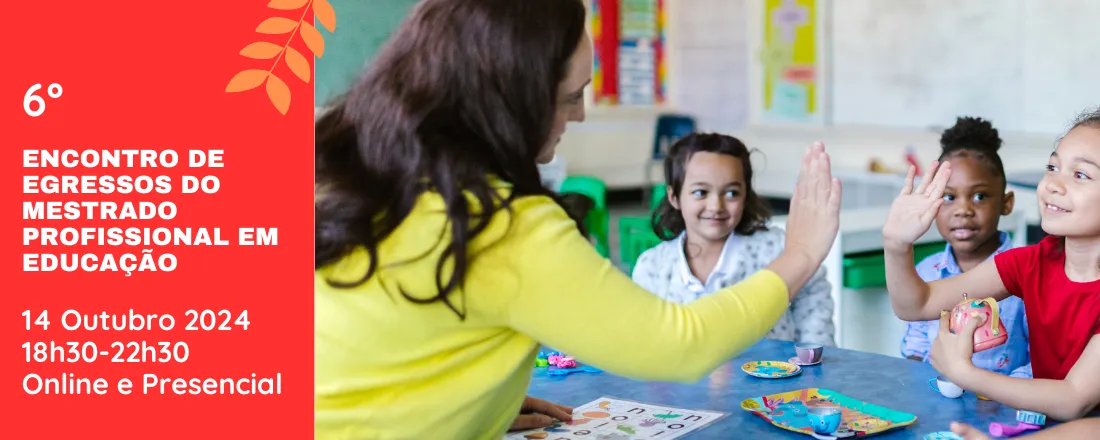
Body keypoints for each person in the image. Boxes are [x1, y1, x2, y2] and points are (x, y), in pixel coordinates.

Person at [313, 0, 843, 438]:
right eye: (571, 97)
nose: (581, 114)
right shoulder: (500, 224)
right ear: (509, 102)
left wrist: (470, 404)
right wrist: (799, 253)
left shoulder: (349, 172)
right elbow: (681, 345)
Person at [882, 108, 1100, 421]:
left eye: (1080, 174)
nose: (1053, 183)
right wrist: (896, 245)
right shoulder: (1032, 263)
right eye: (1053, 167)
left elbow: (1073, 399)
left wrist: (964, 373)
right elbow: (917, 304)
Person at [632, 133, 835, 346]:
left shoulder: (778, 249)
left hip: (774, 378)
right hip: (681, 379)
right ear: (674, 197)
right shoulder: (653, 267)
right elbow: (644, 342)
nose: (716, 206)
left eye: (731, 193)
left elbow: (814, 305)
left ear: (746, 195)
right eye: (700, 192)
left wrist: (813, 366)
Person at [899, 117, 1031, 379]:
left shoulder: (1028, 276)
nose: (963, 210)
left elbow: (1040, 361)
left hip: (1004, 408)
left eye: (980, 196)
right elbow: (916, 344)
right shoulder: (927, 271)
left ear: (1006, 203)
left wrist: (1000, 396)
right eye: (948, 197)